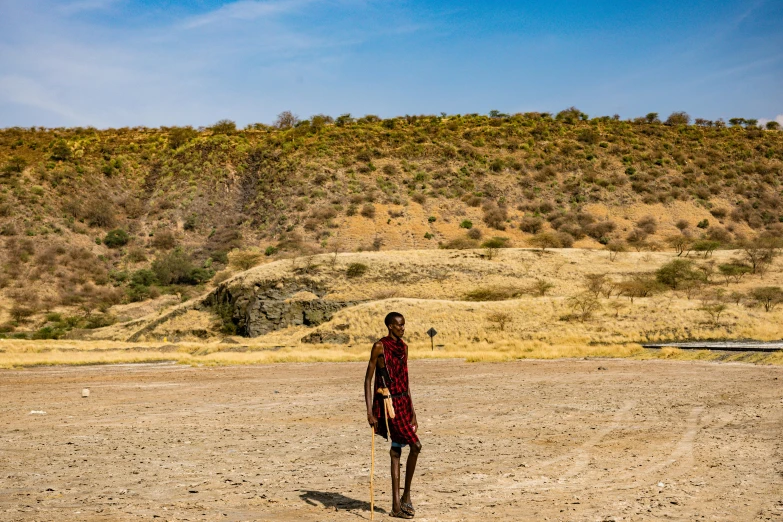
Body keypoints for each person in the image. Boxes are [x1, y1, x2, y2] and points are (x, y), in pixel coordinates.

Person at [364, 312, 421, 519]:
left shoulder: (404, 347)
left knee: (396, 450)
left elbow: (406, 380)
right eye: (398, 325)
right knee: (416, 446)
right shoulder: (380, 346)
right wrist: (369, 412)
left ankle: (397, 506)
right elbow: (368, 379)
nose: (402, 328)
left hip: (404, 402)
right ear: (390, 326)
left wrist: (413, 411)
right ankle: (405, 496)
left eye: (404, 325)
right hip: (389, 405)